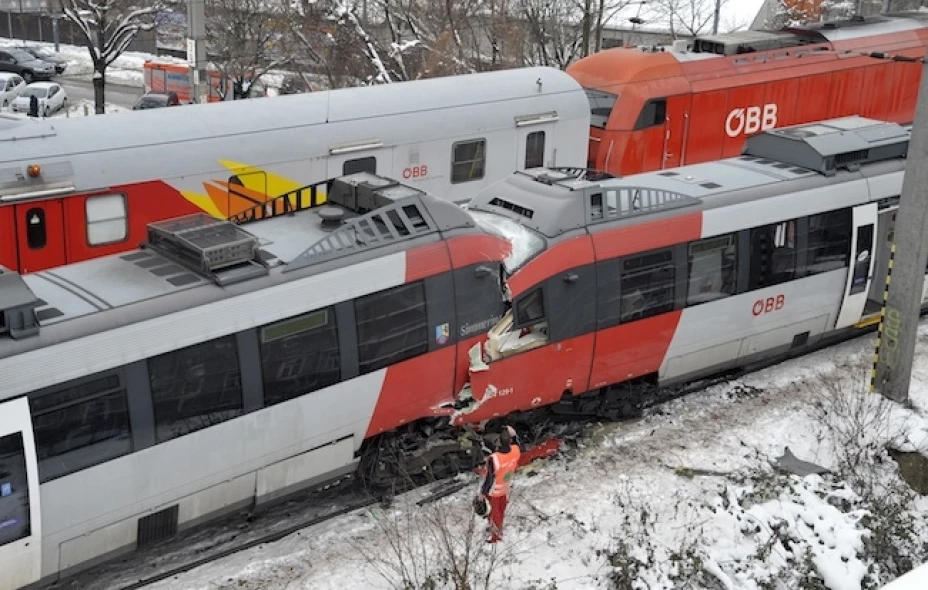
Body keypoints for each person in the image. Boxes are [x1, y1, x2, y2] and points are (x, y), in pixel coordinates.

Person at [479, 425, 522, 543]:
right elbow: (519, 444)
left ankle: (496, 536)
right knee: (501, 510)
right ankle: (499, 528)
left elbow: (489, 478)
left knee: (493, 514)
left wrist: (483, 493)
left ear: (498, 441)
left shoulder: (495, 458)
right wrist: (514, 434)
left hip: (494, 490)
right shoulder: (515, 451)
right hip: (505, 485)